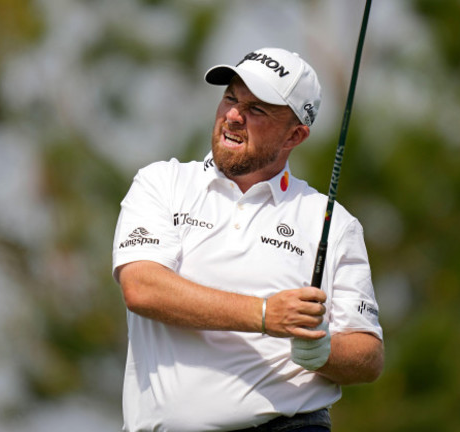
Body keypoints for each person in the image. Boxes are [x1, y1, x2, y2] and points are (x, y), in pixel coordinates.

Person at [112, 47, 384, 432]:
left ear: (295, 134)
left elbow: (368, 355)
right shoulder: (162, 183)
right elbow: (142, 288)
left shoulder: (331, 222)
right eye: (230, 98)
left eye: (257, 110)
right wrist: (264, 315)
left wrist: (323, 352)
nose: (234, 116)